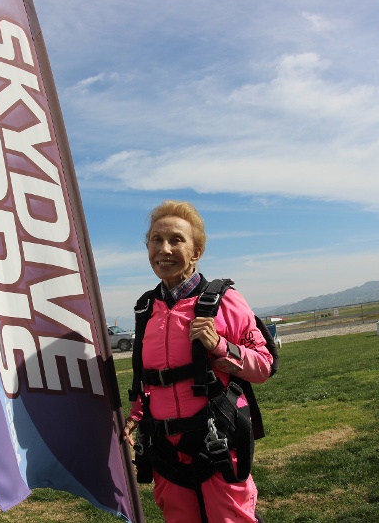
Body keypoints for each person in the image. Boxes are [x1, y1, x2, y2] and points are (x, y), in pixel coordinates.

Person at [123, 200, 274, 523]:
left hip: (217, 442)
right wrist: (135, 417)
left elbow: (263, 366)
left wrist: (220, 347)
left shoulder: (225, 302)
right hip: (165, 449)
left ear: (196, 252)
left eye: (176, 240)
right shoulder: (145, 311)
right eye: (156, 240)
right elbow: (147, 378)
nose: (164, 249)